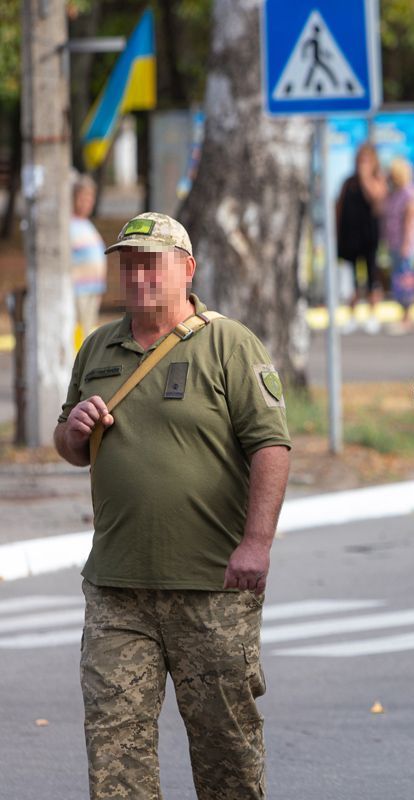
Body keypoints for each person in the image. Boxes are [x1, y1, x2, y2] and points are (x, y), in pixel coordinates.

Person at [53, 212, 291, 800]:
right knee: (115, 760)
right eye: (129, 265)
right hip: (117, 588)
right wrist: (76, 431)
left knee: (226, 759)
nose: (138, 277)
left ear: (186, 269)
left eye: (151, 264)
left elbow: (271, 445)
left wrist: (257, 543)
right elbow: (67, 445)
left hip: (210, 586)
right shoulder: (98, 348)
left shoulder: (228, 343)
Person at [336, 143, 388, 333]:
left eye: (366, 160)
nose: (362, 164)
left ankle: (373, 315)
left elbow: (377, 200)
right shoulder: (348, 182)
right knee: (351, 280)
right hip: (349, 238)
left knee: (371, 276)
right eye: (360, 160)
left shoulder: (377, 179)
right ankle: (351, 314)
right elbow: (339, 208)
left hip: (369, 237)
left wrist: (366, 176)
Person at [382, 157, 414, 334]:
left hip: (404, 244)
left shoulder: (408, 193)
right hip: (395, 243)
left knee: (404, 279)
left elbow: (410, 219)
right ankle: (404, 315)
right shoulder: (394, 193)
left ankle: (407, 317)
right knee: (399, 279)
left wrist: (406, 244)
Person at [70, 173, 107, 340]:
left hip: (92, 290)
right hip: (77, 293)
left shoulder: (86, 224)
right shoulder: (67, 224)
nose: (87, 202)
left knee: (87, 335)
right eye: (83, 196)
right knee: (78, 337)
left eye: (90, 197)